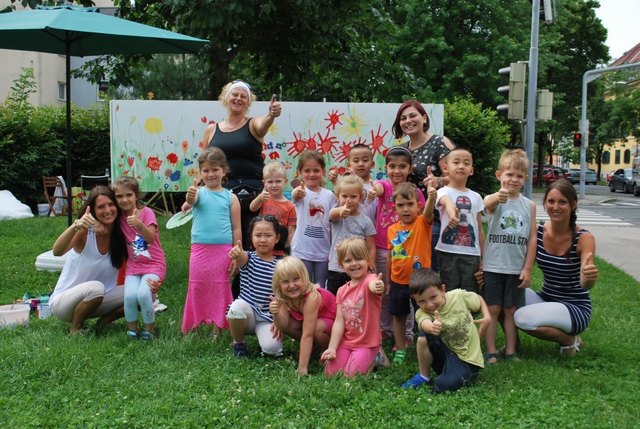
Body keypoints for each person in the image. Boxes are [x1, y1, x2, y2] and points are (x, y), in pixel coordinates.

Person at [514, 180, 598, 357]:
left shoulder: (584, 238)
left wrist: (588, 277)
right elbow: (514, 258)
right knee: (502, 288)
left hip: (574, 308)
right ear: (544, 203)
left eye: (562, 202)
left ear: (573, 205)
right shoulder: (537, 231)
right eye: (551, 201)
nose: (555, 207)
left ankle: (569, 340)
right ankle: (512, 347)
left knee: (522, 318)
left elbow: (585, 283)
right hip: (545, 299)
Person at [204, 80, 282, 249]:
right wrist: (196, 189)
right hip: (221, 192)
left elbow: (263, 126)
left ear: (248, 102)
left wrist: (271, 115)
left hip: (252, 193)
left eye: (243, 96)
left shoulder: (253, 123)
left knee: (250, 240)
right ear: (226, 98)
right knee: (222, 239)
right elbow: (205, 162)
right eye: (235, 94)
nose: (238, 98)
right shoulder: (211, 129)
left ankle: (248, 274)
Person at [481, 149, 536, 362]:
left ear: (525, 179)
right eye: (509, 174)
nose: (513, 179)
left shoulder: (529, 205)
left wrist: (528, 268)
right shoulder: (494, 199)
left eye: (519, 176)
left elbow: (532, 238)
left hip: (516, 266)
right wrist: (498, 196)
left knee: (511, 309)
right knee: (493, 308)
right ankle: (491, 350)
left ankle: (511, 350)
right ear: (499, 175)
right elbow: (486, 206)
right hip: (493, 265)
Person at [49, 186, 128, 334]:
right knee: (96, 288)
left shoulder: (121, 234)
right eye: (101, 207)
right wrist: (76, 225)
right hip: (64, 304)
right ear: (92, 211)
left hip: (98, 299)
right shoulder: (85, 232)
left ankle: (104, 323)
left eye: (111, 204)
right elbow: (57, 251)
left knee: (145, 293)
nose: (108, 210)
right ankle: (76, 329)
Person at [368, 146, 425, 349]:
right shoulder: (384, 186)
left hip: (410, 254)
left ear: (410, 169)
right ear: (386, 168)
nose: (397, 171)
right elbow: (379, 188)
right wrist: (375, 190)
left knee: (409, 295)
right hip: (384, 248)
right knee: (386, 293)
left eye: (402, 167)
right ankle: (385, 329)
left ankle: (407, 333)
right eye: (392, 166)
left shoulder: (415, 192)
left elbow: (423, 215)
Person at [182, 147, 241, 336]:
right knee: (197, 285)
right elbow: (189, 202)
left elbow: (236, 228)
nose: (210, 174)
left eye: (215, 169)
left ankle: (217, 327)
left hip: (223, 250)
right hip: (200, 249)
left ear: (224, 170)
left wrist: (236, 254)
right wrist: (190, 197)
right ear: (200, 173)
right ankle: (194, 322)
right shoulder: (198, 194)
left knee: (219, 287)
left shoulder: (230, 198)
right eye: (206, 170)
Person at [402, 268, 490, 392]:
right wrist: (431, 327)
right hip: (444, 356)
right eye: (421, 301)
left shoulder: (458, 296)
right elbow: (424, 323)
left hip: (467, 360)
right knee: (423, 337)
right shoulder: (421, 312)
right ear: (414, 299)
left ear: (442, 290)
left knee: (442, 385)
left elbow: (479, 299)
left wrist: (487, 317)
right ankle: (424, 376)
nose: (429, 304)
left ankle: (450, 376)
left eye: (433, 297)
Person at [392, 99, 455, 272]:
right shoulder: (403, 149)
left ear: (424, 118)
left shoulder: (439, 143)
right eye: (403, 118)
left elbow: (456, 177)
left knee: (428, 270)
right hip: (407, 219)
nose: (408, 121)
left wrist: (438, 181)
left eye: (413, 115)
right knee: (408, 268)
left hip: (432, 219)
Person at [386, 182, 436, 364]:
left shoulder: (423, 222)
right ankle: (400, 349)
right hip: (398, 280)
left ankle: (430, 343)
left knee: (426, 312)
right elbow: (390, 256)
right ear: (394, 208)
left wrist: (432, 196)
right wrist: (388, 281)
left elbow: (430, 213)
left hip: (421, 281)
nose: (406, 209)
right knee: (399, 315)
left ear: (418, 206)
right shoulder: (391, 230)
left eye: (410, 204)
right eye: (401, 205)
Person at [321, 237, 384, 378]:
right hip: (347, 342)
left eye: (359, 258)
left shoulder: (370, 280)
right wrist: (332, 347)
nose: (354, 264)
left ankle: (377, 356)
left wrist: (378, 286)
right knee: (330, 374)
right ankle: (361, 357)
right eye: (348, 260)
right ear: (341, 265)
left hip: (367, 343)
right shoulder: (342, 290)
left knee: (351, 377)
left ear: (368, 260)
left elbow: (374, 286)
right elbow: (339, 322)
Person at [113, 176, 167, 340]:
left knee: (143, 294)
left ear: (136, 195)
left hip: (154, 264)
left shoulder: (146, 213)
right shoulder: (119, 218)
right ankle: (132, 330)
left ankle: (150, 330)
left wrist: (138, 224)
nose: (124, 200)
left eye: (128, 195)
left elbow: (150, 238)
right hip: (134, 266)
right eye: (119, 196)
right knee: (129, 296)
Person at [226, 216, 283, 357]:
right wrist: (237, 253)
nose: (263, 240)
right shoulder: (249, 258)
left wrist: (280, 321)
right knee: (236, 308)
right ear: (251, 238)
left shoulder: (281, 265)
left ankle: (264, 340)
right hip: (248, 313)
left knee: (272, 349)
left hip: (267, 317)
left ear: (277, 238)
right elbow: (241, 257)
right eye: (258, 235)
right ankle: (239, 342)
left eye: (268, 235)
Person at [270, 256, 337, 375]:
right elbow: (283, 324)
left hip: (333, 323)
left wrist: (302, 368)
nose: (291, 285)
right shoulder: (283, 296)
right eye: (285, 281)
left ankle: (324, 351)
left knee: (315, 329)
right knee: (291, 324)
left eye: (296, 279)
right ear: (278, 284)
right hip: (314, 323)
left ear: (304, 278)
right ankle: (313, 349)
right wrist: (276, 315)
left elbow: (308, 334)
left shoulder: (311, 297)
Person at [436, 148, 485, 293]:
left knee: (470, 293)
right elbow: (446, 202)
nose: (461, 166)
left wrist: (483, 256)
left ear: (471, 170)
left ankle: (468, 316)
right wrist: (452, 215)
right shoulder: (443, 191)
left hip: (472, 255)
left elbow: (479, 228)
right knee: (449, 291)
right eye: (456, 162)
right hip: (448, 252)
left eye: (466, 163)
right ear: (445, 168)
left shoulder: (476, 197)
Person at [290, 150, 338, 288]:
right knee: (302, 286)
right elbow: (295, 195)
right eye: (307, 170)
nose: (311, 174)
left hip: (323, 252)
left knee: (320, 287)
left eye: (316, 170)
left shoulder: (329, 195)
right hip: (301, 251)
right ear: (300, 172)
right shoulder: (301, 192)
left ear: (323, 171)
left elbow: (334, 216)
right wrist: (297, 192)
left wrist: (336, 182)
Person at [326, 175, 376, 295]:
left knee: (356, 299)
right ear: (337, 196)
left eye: (353, 196)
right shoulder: (337, 216)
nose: (349, 200)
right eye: (344, 196)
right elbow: (332, 214)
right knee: (334, 299)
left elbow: (371, 246)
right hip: (337, 268)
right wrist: (340, 211)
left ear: (361, 197)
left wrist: (370, 263)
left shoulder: (366, 221)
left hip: (358, 269)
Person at [249, 162, 296, 255]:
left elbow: (291, 232)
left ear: (285, 181)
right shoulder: (264, 198)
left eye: (278, 181)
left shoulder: (290, 206)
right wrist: (259, 198)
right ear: (264, 183)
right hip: (261, 246)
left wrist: (288, 250)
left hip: (279, 250)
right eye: (270, 182)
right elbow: (252, 208)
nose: (274, 185)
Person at [327, 143, 377, 223]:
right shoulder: (344, 185)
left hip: (369, 232)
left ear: (372, 164)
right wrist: (335, 181)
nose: (360, 164)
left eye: (365, 160)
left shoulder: (377, 187)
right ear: (349, 165)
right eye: (356, 161)